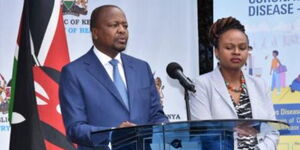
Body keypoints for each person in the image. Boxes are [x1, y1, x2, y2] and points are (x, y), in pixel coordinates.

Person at [59, 5, 168, 150]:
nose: (122, 30)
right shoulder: (74, 72)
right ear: (95, 33)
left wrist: (164, 128)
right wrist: (113, 134)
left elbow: (157, 115)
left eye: (125, 26)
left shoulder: (141, 68)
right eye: (114, 25)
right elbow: (75, 128)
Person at [190, 17, 279, 150]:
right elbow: (205, 133)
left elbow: (273, 131)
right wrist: (238, 130)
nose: (237, 52)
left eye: (242, 47)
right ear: (216, 52)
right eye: (229, 47)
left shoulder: (260, 85)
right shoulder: (201, 85)